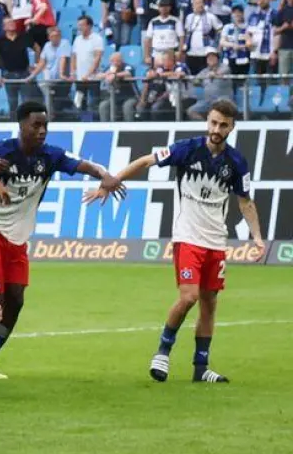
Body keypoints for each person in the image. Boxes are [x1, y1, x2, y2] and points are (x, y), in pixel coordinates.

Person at [0, 101, 124, 379]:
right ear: (21, 125)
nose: (42, 130)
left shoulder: (51, 156)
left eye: (45, 125)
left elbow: (82, 165)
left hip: (18, 239)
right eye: (36, 125)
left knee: (16, 300)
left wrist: (105, 176)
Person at [86, 100, 264, 383]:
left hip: (216, 243)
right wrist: (112, 180)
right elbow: (146, 161)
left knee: (209, 303)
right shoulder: (186, 149)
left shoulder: (237, 162)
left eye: (223, 125)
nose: (217, 129)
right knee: (189, 297)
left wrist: (257, 238)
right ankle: (163, 352)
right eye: (214, 122)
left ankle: (200, 368)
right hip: (188, 238)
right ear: (208, 120)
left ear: (232, 127)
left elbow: (245, 202)